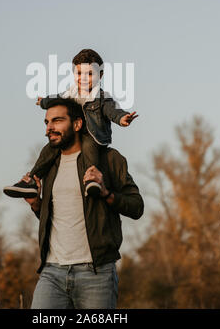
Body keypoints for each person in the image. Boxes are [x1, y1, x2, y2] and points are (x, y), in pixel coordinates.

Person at [23, 97, 144, 309]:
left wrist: (106, 192)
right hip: (52, 272)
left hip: (96, 274)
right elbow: (58, 216)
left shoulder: (109, 160)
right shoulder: (50, 165)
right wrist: (36, 204)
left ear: (78, 124)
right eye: (47, 122)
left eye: (57, 121)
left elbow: (137, 207)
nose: (49, 128)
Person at [3, 48, 138, 199]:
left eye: (90, 74)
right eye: (79, 73)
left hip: (92, 135)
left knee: (89, 147)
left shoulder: (102, 98)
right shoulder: (70, 93)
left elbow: (112, 111)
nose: (84, 78)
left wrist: (122, 118)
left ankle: (91, 179)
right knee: (49, 149)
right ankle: (31, 181)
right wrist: (43, 102)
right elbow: (56, 99)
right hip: (72, 135)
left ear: (100, 75)